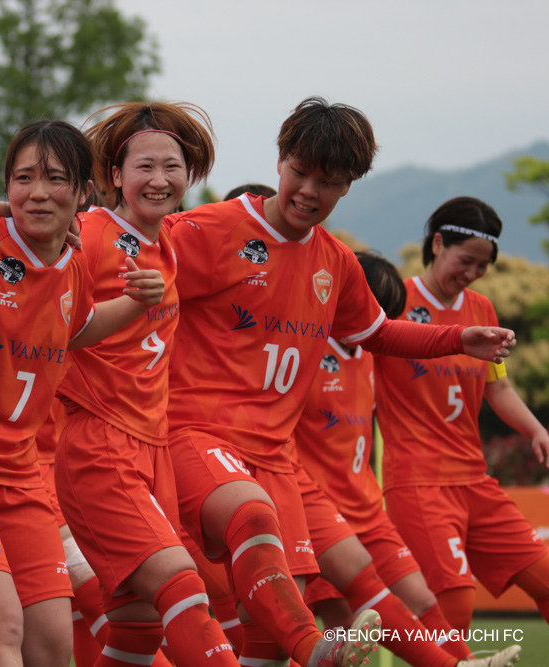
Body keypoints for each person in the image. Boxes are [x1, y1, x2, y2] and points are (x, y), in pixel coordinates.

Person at [164, 96, 515, 667]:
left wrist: (458, 339)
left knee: (269, 628)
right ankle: (317, 650)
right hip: (196, 437)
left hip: (276, 460)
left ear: (348, 185)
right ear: (280, 158)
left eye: (327, 182)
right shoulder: (209, 229)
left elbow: (379, 333)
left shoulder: (335, 262)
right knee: (251, 525)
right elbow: (116, 259)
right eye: (299, 172)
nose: (308, 191)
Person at [0, 119, 165, 667]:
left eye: (55, 179)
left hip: (23, 475)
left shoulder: (74, 263)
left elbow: (78, 329)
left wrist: (137, 302)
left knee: (51, 645)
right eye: (23, 178)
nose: (38, 193)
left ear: (84, 192)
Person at [52, 101, 245, 667]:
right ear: (115, 175)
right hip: (99, 446)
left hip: (152, 448)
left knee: (137, 628)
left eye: (172, 167)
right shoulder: (89, 233)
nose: (159, 180)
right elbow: (43, 307)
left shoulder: (166, 245)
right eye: (145, 167)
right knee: (182, 586)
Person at [292, 251, 520, 667]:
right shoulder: (305, 348)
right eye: (376, 312)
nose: (379, 324)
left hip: (367, 510)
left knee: (423, 600)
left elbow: (424, 358)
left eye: (386, 317)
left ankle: (466, 663)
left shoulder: (372, 355)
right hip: (316, 512)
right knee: (341, 627)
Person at [375, 196, 549, 632]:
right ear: (437, 244)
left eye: (483, 266)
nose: (472, 273)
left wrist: (537, 430)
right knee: (453, 609)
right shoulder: (395, 299)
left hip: (475, 478)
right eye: (466, 261)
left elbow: (498, 387)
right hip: (418, 481)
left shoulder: (482, 310)